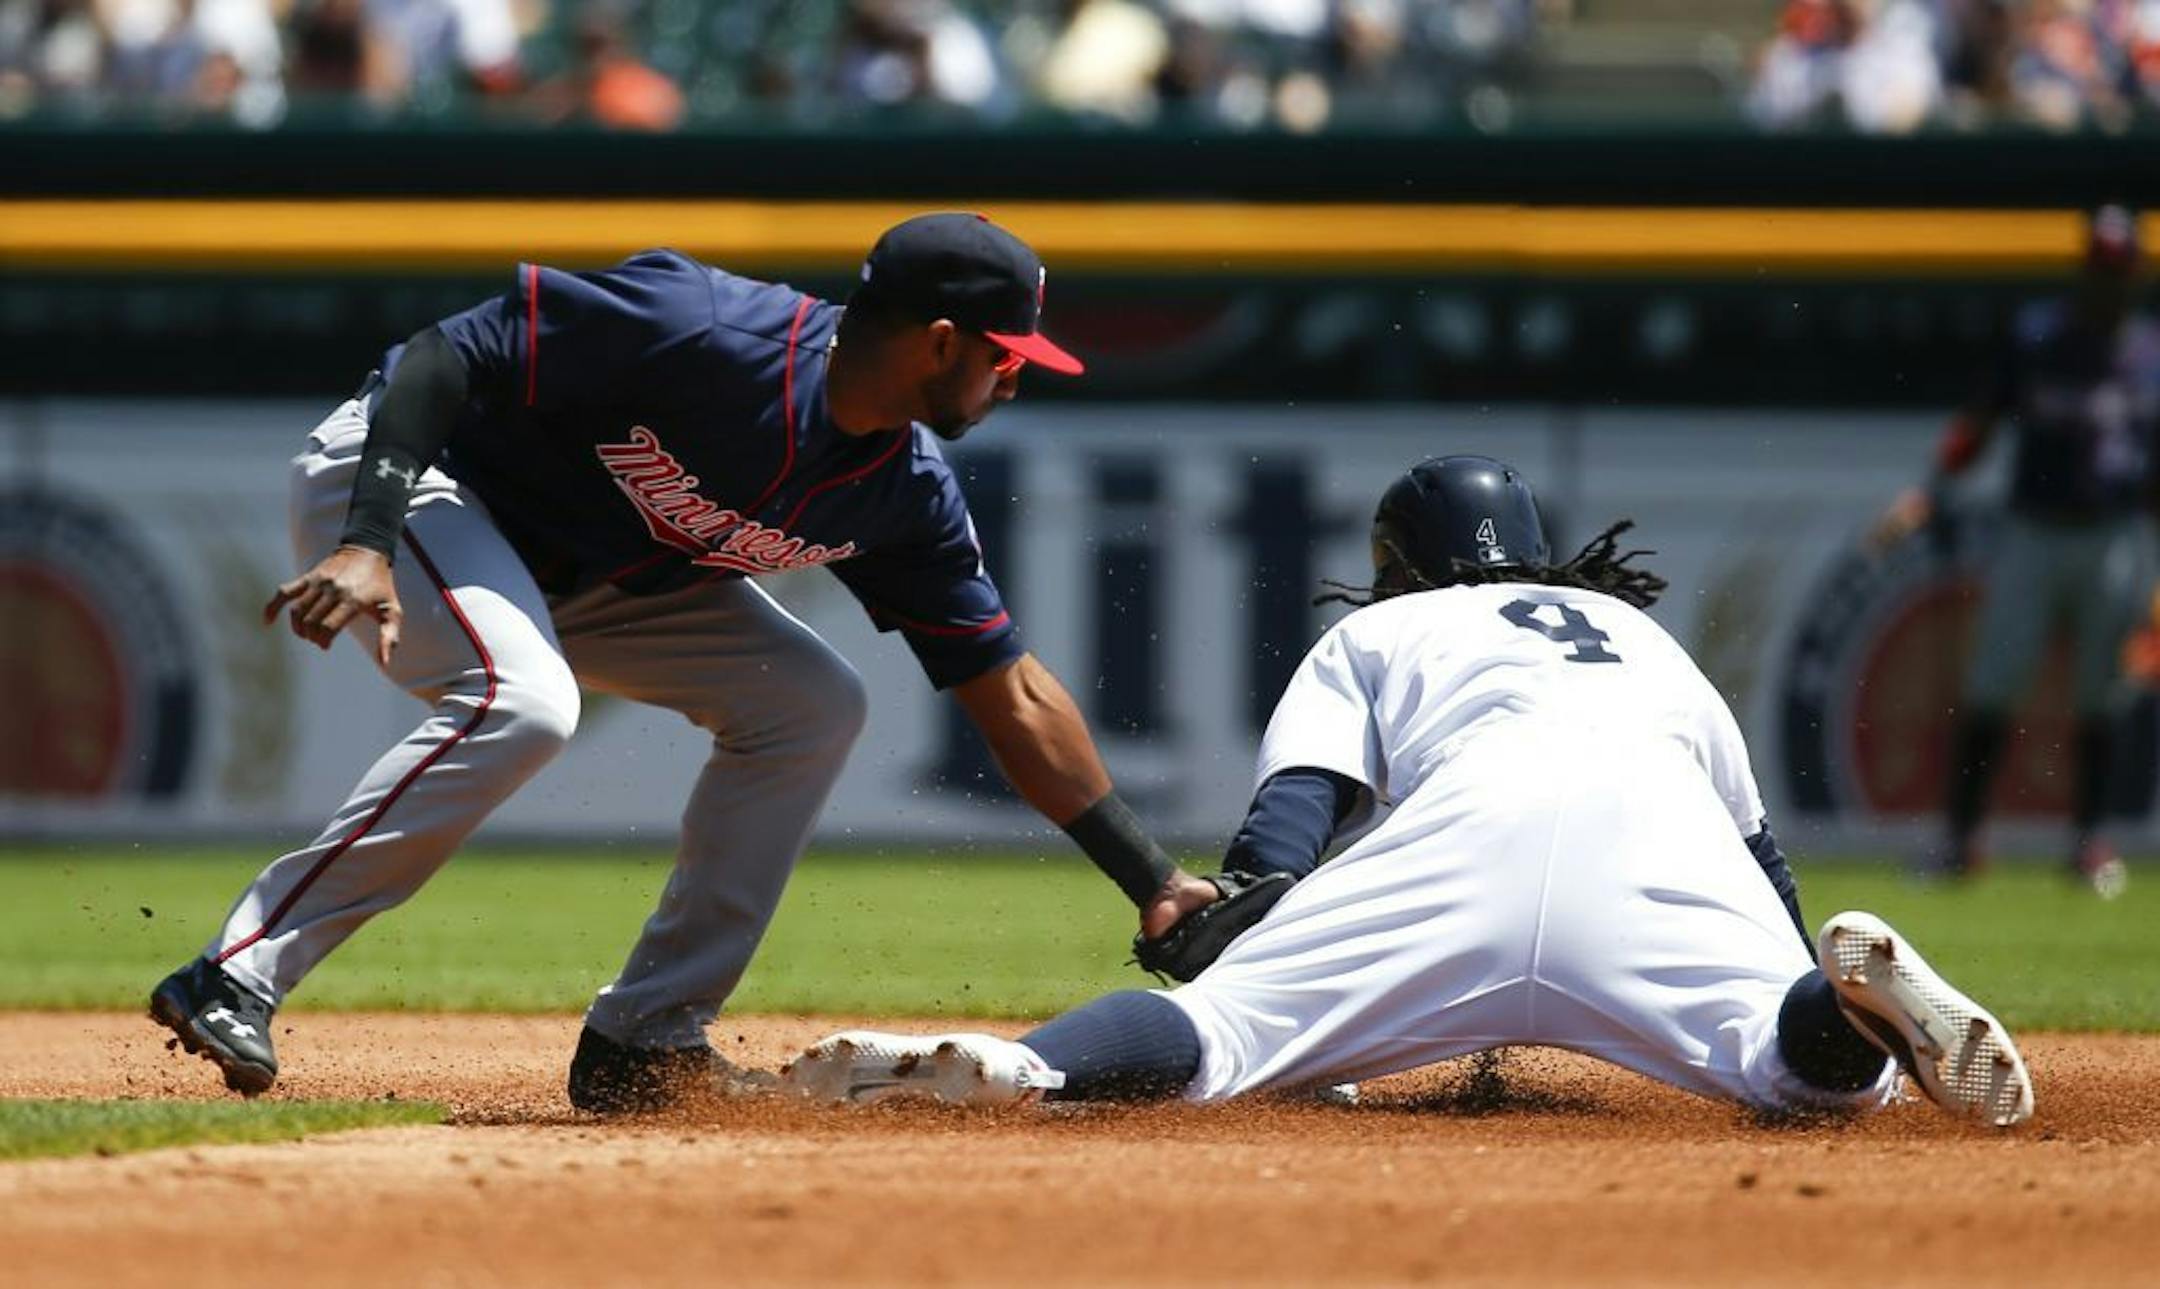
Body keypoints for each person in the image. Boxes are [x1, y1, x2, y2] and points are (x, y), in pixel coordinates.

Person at [149, 213, 1217, 1112]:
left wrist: (1156, 882)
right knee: (525, 702)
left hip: (587, 573)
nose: (1013, 380)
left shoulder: (905, 494)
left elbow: (1013, 693)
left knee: (811, 703)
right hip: (418, 484)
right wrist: (368, 535)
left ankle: (644, 1040)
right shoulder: (703, 329)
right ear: (942, 342)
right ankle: (234, 972)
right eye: (1006, 355)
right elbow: (443, 355)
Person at [783, 456, 2036, 1129]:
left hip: (1461, 852)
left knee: (1224, 1034)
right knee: (1808, 1073)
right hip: (1662, 854)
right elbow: (1762, 865)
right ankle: (1847, 1005)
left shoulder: (1382, 634)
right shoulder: (1643, 638)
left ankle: (1032, 1069)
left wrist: (1240, 912)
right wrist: (1782, 967)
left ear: (1399, 565)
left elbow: (1295, 817)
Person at [1876, 205, 2155, 896]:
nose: (2107, 285)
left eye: (2118, 272)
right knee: (1994, 682)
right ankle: (1960, 840)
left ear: (2135, 274)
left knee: (2102, 693)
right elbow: (1981, 422)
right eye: (2099, 270)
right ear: (2083, 270)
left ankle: (2087, 844)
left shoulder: (2151, 352)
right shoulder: (2039, 336)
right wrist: (1930, 490)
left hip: (2115, 532)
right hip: (2034, 528)